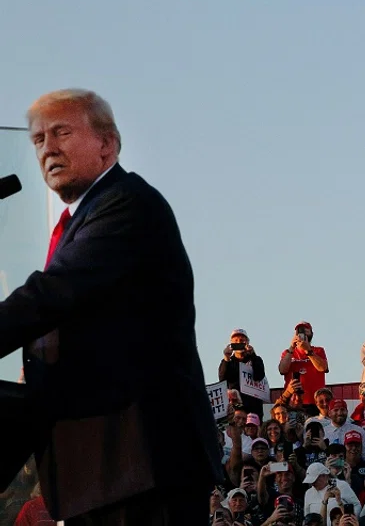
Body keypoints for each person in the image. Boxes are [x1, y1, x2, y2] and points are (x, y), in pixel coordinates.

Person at [0, 89, 221, 522]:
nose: (48, 148)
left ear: (108, 144)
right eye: (39, 139)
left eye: (62, 131)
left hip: (141, 465)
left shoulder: (127, 204)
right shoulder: (79, 222)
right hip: (99, 473)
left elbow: (52, 294)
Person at [219, 327, 268, 419]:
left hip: (254, 409)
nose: (238, 343)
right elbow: (222, 379)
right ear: (231, 343)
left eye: (242, 340)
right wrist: (226, 357)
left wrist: (253, 355)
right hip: (236, 409)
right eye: (236, 341)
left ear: (247, 342)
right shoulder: (228, 361)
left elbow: (259, 375)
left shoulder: (256, 359)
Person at [279, 321, 330, 405]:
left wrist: (308, 350)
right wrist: (292, 347)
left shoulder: (318, 350)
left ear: (311, 334)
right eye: (299, 331)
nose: (302, 333)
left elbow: (323, 368)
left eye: (305, 331)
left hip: (315, 402)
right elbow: (282, 370)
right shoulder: (287, 353)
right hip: (294, 402)